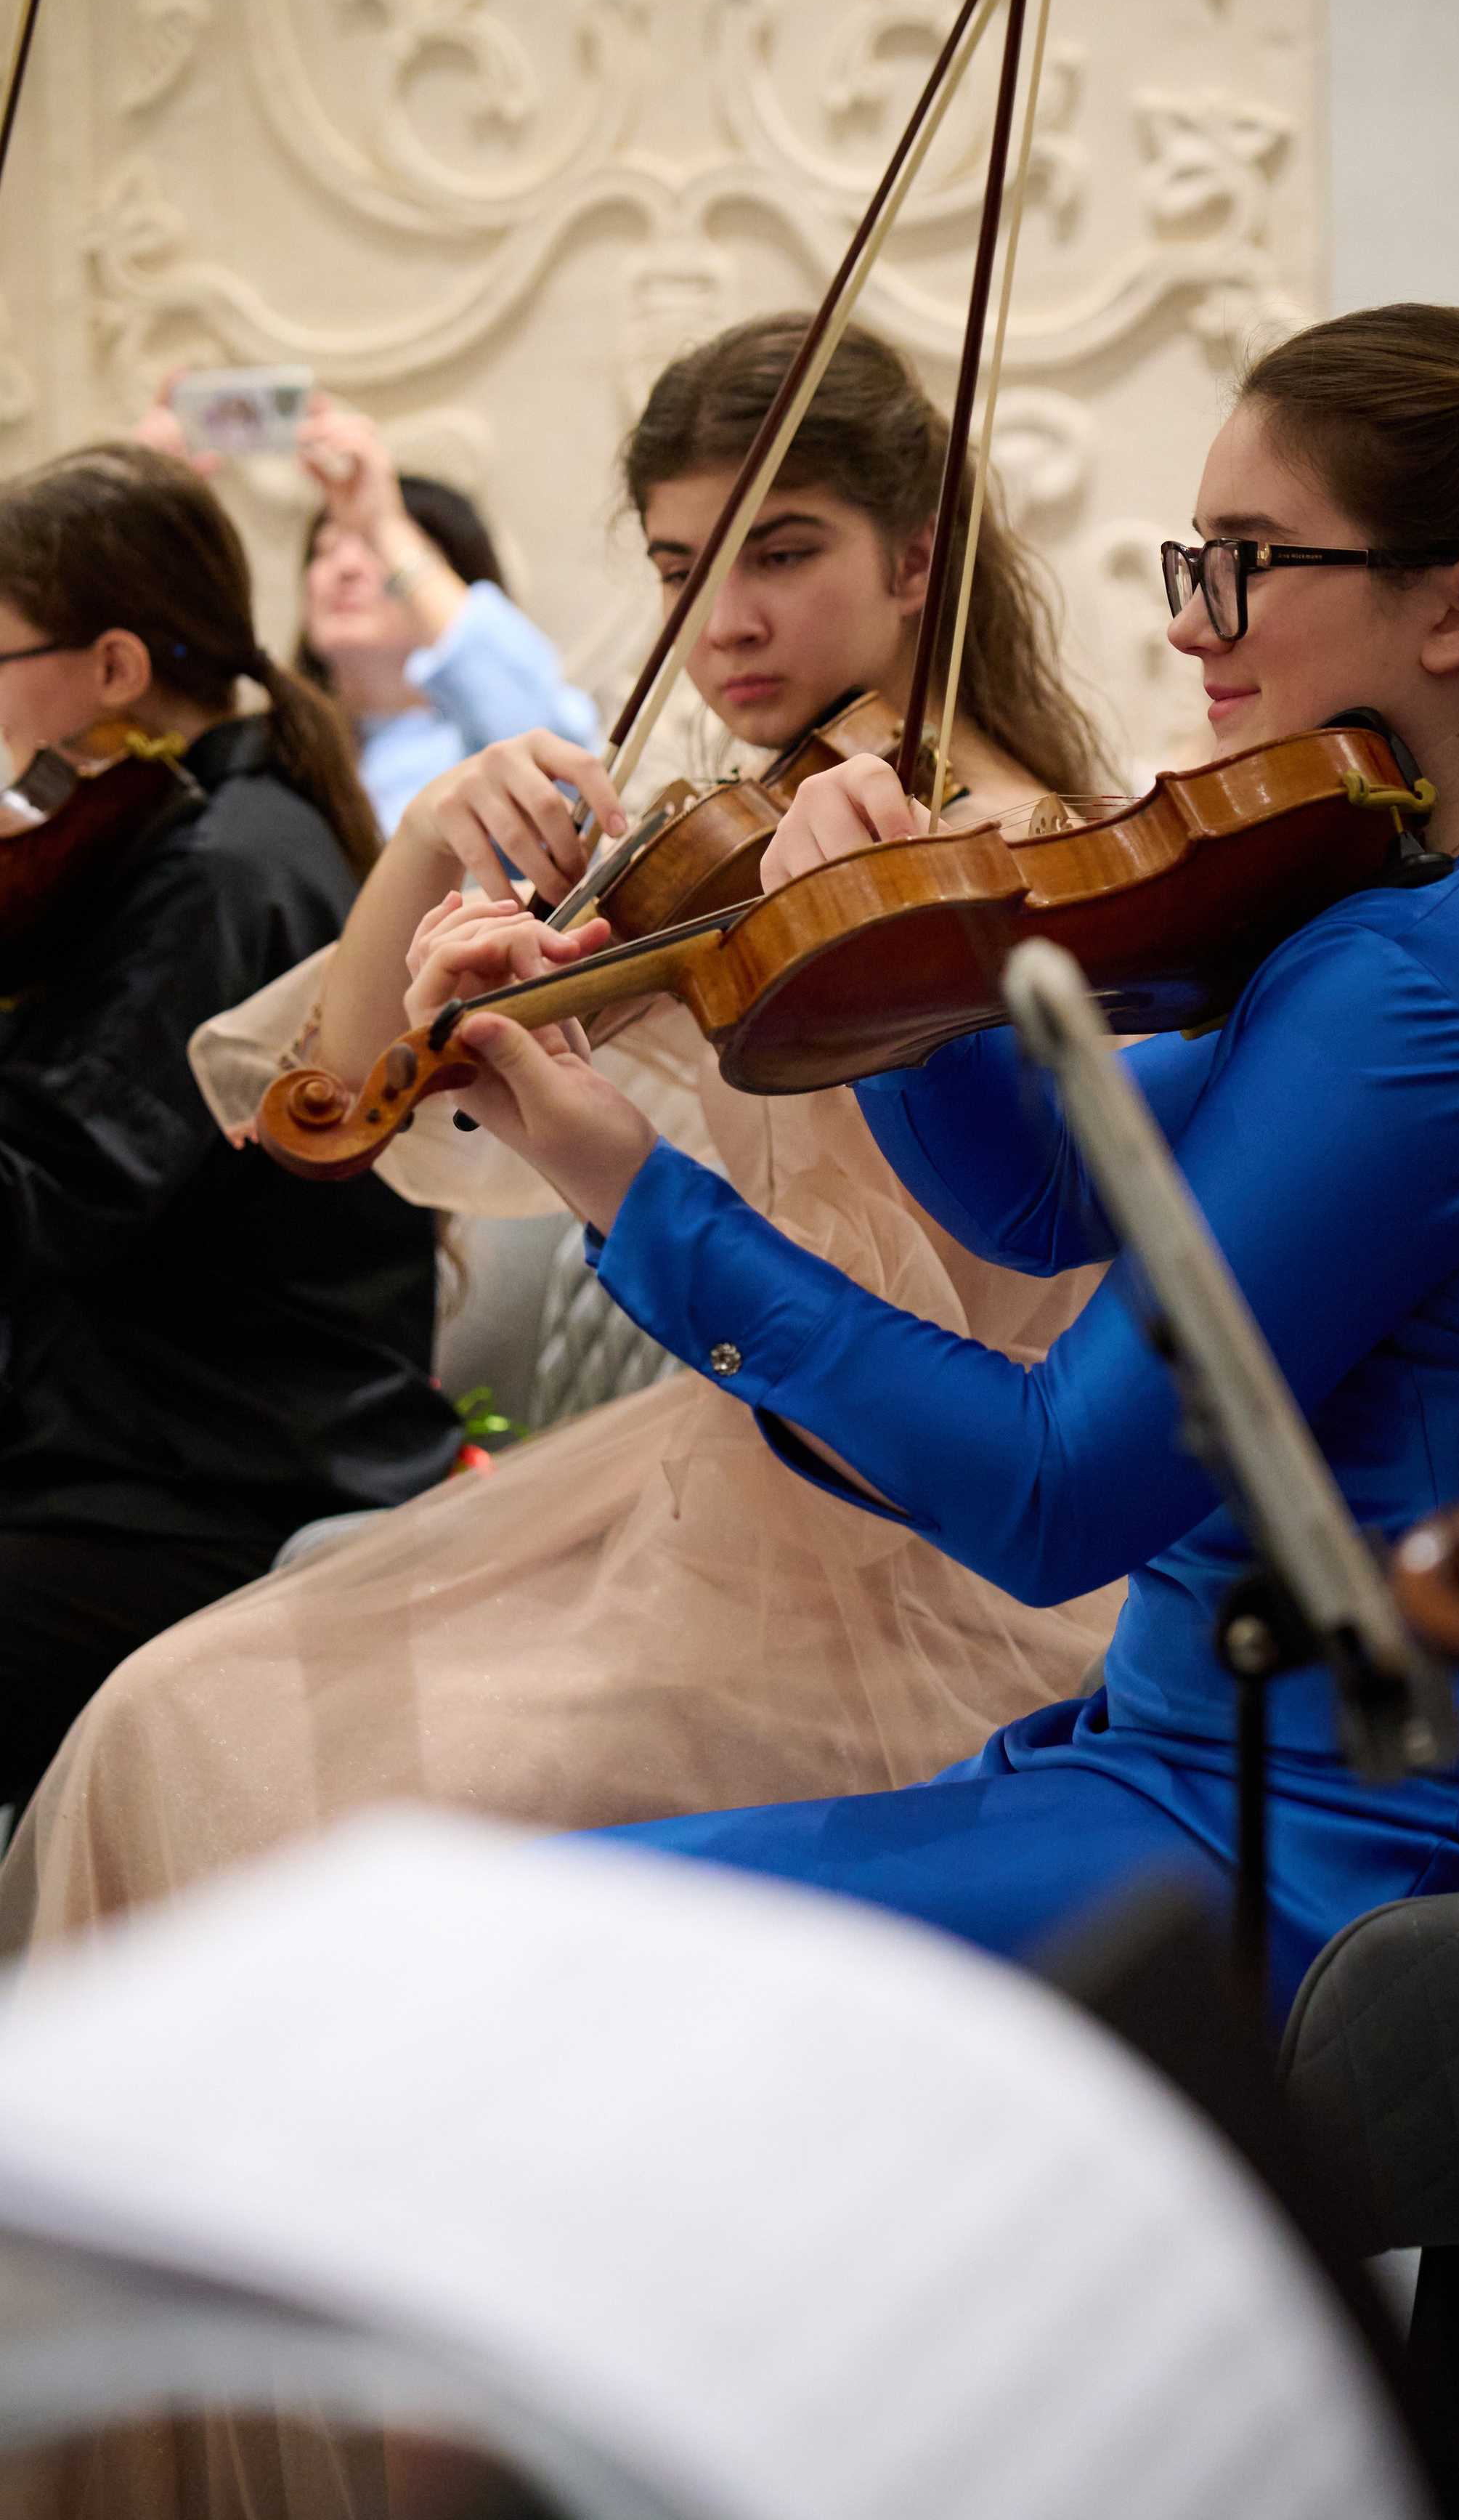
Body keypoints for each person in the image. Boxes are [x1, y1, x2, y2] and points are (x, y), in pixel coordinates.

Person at [390, 301, 1459, 2015]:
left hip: (1375, 1871)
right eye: (1188, 559)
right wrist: (886, 942)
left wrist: (624, 1181)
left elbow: (1053, 1493)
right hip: (1312, 1809)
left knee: (503, 1952)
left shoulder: (1422, 989)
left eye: (1241, 563)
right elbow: (1050, 1191)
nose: (1183, 619)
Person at [0, 320, 1122, 1959]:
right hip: (706, 1502)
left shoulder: (1041, 869)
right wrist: (430, 838)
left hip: (946, 1553)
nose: (721, 621)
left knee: (362, 1815)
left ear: (914, 562)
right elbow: (331, 1108)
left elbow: (987, 1291)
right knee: (163, 1711)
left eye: (780, 552)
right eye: (679, 567)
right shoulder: (730, 849)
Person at [0, 444, 460, 1818]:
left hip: (209, 1479)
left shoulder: (222, 869)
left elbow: (47, 1189)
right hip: (138, 1438)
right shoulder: (195, 830)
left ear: (114, 666)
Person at [138, 378, 598, 835]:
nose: (346, 568)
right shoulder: (269, 757)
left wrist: (387, 527)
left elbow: (564, 769)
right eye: (326, 548)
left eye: (375, 552)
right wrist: (150, 513)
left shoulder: (484, 748)